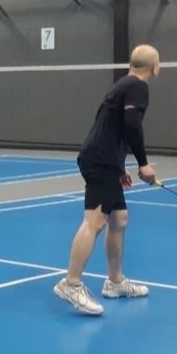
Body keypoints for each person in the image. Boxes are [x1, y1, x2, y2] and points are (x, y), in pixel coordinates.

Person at [54, 45, 160, 316]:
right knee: (96, 221)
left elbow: (110, 126)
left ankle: (115, 282)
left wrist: (119, 164)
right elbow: (132, 126)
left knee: (119, 219)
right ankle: (71, 283)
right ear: (155, 67)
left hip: (106, 160)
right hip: (99, 160)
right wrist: (143, 164)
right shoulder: (138, 86)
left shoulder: (122, 84)